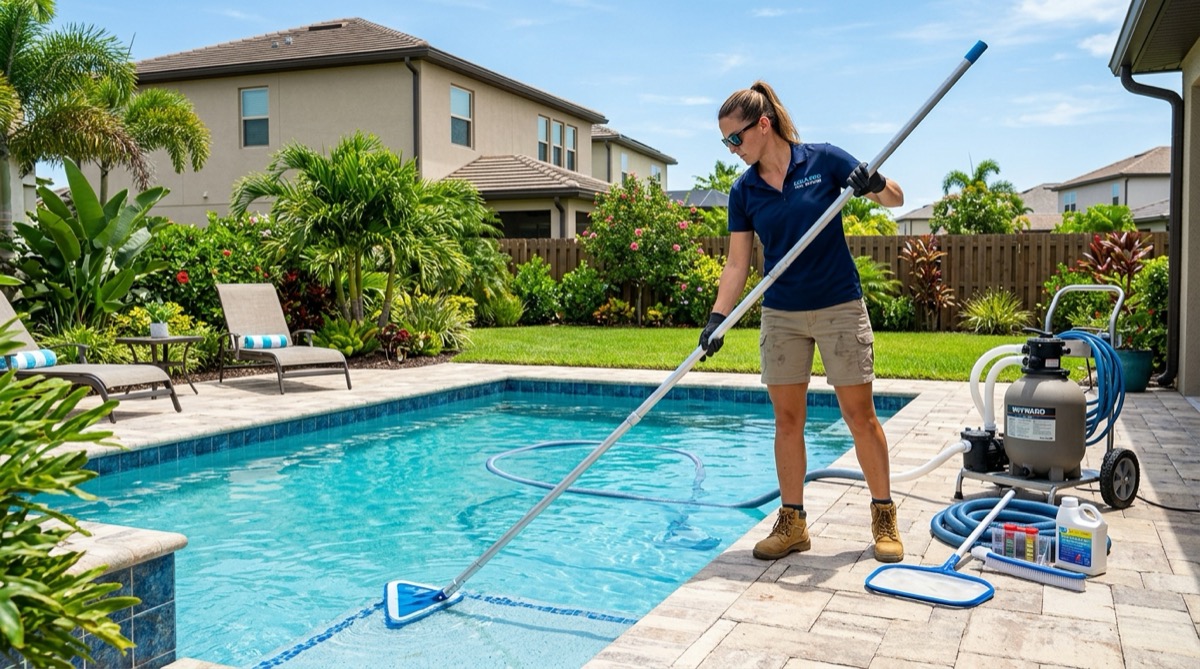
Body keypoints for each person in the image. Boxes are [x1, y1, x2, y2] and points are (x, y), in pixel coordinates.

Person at [699, 81, 906, 563]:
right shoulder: (744, 191)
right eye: (725, 142)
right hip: (782, 314)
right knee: (787, 420)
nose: (732, 149)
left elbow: (895, 198)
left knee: (859, 416)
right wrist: (717, 318)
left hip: (838, 305)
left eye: (735, 138)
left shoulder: (823, 160)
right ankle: (793, 524)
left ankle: (884, 516)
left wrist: (872, 183)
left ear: (762, 125)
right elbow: (737, 263)